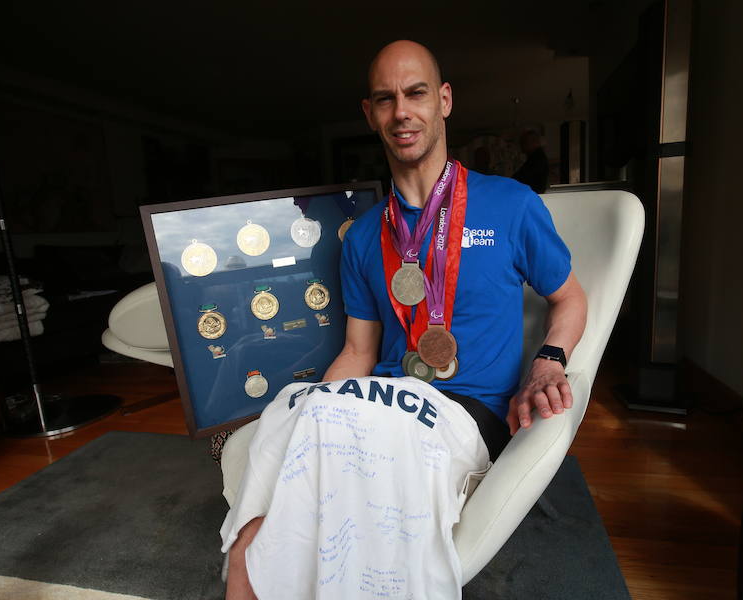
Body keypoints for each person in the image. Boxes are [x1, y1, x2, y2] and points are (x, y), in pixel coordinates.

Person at [222, 40, 586, 600]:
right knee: (283, 420)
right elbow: (358, 353)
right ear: (370, 115)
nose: (402, 112)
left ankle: (261, 573)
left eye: (415, 93)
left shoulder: (510, 204)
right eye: (385, 99)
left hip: (465, 412)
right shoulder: (365, 236)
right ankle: (251, 565)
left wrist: (548, 361)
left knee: (322, 433)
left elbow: (571, 299)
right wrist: (311, 412)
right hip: (383, 397)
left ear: (443, 101)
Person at [512, 129, 550, 194]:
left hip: (532, 192)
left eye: (525, 142)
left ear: (534, 143)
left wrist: (509, 180)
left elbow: (523, 177)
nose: (522, 145)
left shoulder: (537, 158)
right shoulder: (536, 156)